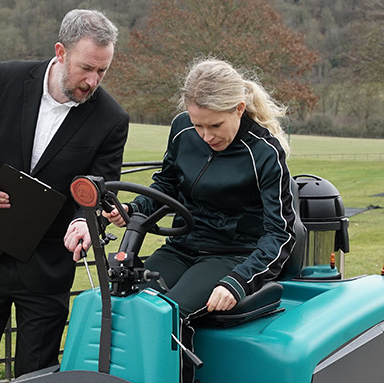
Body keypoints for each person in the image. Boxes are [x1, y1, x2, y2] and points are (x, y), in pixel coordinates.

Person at [0, 9, 128, 383]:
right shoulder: (9, 79)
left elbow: (94, 195)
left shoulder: (111, 119)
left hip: (44, 271)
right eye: (86, 68)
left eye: (102, 71)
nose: (93, 81)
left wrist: (83, 223)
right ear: (61, 53)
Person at [106, 58, 295, 317]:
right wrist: (134, 208)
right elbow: (166, 186)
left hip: (232, 256)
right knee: (125, 302)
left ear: (239, 109)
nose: (206, 137)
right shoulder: (181, 129)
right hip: (181, 247)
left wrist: (239, 281)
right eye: (198, 125)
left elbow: (280, 235)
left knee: (165, 315)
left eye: (216, 125)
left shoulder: (264, 153)